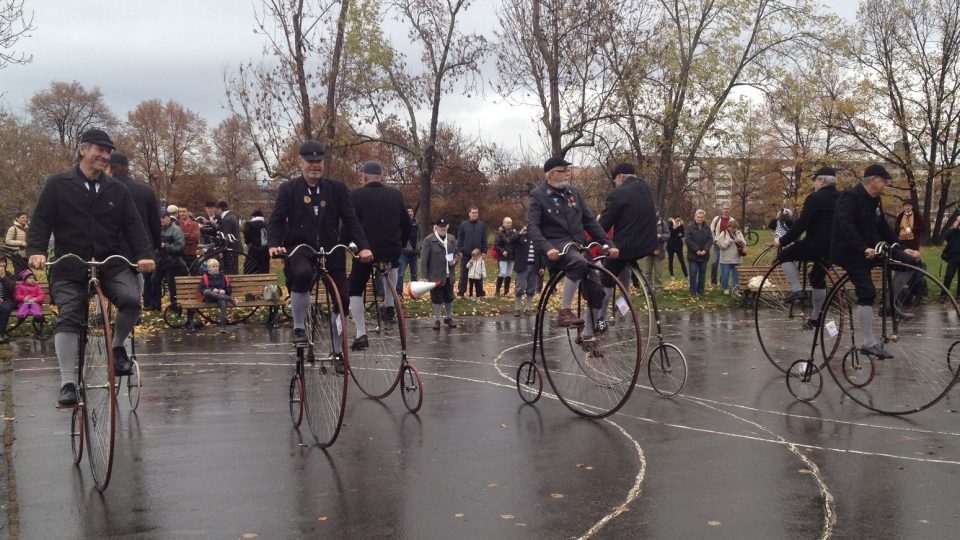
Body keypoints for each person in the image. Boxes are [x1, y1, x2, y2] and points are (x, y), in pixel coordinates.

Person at [27, 128, 155, 407]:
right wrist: (36, 250)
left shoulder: (117, 190)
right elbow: (41, 221)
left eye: (108, 151)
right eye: (99, 149)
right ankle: (67, 382)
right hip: (69, 264)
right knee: (70, 314)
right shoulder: (58, 184)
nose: (105, 155)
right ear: (83, 150)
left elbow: (133, 225)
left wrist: (145, 254)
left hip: (109, 262)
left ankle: (117, 346)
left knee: (132, 300)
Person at [267, 140, 372, 352]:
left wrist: (363, 246)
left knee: (342, 299)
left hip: (331, 246)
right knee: (302, 274)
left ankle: (337, 349)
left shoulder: (337, 189)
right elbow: (276, 220)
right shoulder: (289, 189)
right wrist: (274, 244)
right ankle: (298, 328)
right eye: (310, 161)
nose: (315, 165)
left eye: (319, 161)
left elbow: (351, 219)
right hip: (301, 246)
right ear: (301, 162)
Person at [831, 164, 921, 359]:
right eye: (884, 181)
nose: (886, 184)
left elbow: (884, 228)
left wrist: (901, 246)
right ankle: (868, 343)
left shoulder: (876, 201)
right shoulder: (850, 197)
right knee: (867, 291)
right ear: (873, 180)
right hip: (850, 251)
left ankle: (888, 304)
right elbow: (845, 225)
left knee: (911, 263)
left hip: (874, 248)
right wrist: (863, 248)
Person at [527, 156, 618, 345]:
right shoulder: (538, 195)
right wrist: (546, 247)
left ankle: (589, 334)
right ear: (552, 174)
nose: (567, 173)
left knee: (597, 289)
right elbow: (532, 227)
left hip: (577, 245)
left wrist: (607, 242)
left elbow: (590, 221)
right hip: (556, 246)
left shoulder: (573, 193)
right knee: (578, 262)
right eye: (563, 170)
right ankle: (564, 311)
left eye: (567, 170)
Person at [342, 160, 410, 351]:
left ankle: (361, 333)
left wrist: (346, 243)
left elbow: (349, 224)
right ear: (382, 177)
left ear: (363, 177)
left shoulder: (355, 195)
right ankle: (389, 303)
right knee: (393, 265)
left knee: (354, 287)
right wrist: (401, 244)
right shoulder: (395, 195)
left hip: (366, 251)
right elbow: (406, 223)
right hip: (391, 249)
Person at [773, 166, 841, 327]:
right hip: (833, 247)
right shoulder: (842, 197)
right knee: (817, 278)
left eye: (815, 180)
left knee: (784, 256)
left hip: (815, 244)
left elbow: (802, 224)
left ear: (821, 180)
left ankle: (797, 289)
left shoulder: (814, 198)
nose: (815, 184)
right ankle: (816, 317)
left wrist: (782, 241)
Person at [597, 162, 656, 330]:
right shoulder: (645, 188)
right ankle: (622, 310)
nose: (615, 183)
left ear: (621, 177)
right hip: (644, 245)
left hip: (624, 247)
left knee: (606, 280)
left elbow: (603, 225)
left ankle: (599, 320)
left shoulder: (619, 194)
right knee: (624, 283)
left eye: (615, 180)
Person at [107, 152, 160, 308]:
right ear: (127, 169)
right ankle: (134, 310)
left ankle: (102, 313)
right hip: (140, 248)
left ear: (110, 169)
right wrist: (155, 245)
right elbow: (154, 222)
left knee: (106, 279)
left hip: (112, 247)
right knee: (137, 278)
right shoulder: (145, 190)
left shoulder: (106, 189)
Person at [421, 218, 459, 329]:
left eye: (444, 226)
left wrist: (455, 260)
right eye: (440, 226)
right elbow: (424, 259)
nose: (442, 228)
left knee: (449, 297)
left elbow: (457, 253)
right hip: (435, 275)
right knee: (436, 298)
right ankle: (437, 319)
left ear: (447, 227)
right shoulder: (429, 239)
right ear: (436, 227)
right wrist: (424, 276)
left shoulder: (451, 238)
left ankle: (448, 317)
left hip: (449, 274)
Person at [150, 209, 185, 311]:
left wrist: (166, 246)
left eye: (163, 218)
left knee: (172, 285)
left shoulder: (176, 230)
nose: (161, 220)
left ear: (168, 218)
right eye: (159, 218)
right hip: (160, 261)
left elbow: (180, 246)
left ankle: (175, 307)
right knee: (154, 281)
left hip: (172, 262)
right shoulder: (157, 229)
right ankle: (155, 307)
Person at [512, 222, 544, 316]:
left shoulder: (537, 239)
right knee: (520, 287)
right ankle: (517, 308)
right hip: (522, 266)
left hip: (534, 267)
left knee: (531, 288)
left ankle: (528, 308)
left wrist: (542, 266)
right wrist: (520, 233)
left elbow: (541, 253)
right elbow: (510, 241)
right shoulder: (520, 237)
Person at [456, 206, 487, 297]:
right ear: (469, 213)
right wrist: (459, 250)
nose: (474, 214)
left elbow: (484, 239)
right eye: (473, 212)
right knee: (464, 274)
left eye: (476, 213)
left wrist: (484, 251)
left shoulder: (481, 225)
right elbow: (460, 238)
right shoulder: (464, 224)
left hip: (478, 254)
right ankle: (461, 292)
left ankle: (479, 292)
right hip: (465, 253)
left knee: (478, 273)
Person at [197, 258, 236, 326]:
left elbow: (228, 288)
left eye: (217, 266)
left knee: (222, 300)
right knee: (207, 291)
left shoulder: (223, 277)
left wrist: (224, 291)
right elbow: (201, 289)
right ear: (209, 268)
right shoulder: (205, 277)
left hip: (220, 297)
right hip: (210, 297)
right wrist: (212, 289)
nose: (215, 268)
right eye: (213, 266)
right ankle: (228, 298)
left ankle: (223, 321)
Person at [640, 211, 669, 290]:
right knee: (646, 272)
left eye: (655, 212)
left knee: (658, 272)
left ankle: (658, 288)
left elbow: (668, 234)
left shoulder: (662, 223)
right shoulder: (646, 222)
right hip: (648, 251)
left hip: (658, 251)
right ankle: (647, 289)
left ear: (658, 212)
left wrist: (661, 236)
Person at [685, 210, 712, 295]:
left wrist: (705, 250)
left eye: (702, 217)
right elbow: (688, 240)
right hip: (693, 255)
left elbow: (710, 239)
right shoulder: (690, 227)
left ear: (704, 218)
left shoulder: (707, 227)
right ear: (695, 217)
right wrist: (697, 249)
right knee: (693, 273)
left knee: (702, 274)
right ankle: (693, 290)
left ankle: (701, 290)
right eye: (698, 217)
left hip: (704, 255)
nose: (700, 219)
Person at [716, 219, 745, 295]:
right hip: (726, 259)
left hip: (737, 259)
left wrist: (740, 241)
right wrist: (729, 241)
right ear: (729, 227)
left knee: (736, 276)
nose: (734, 229)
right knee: (725, 275)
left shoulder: (739, 233)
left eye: (735, 228)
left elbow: (744, 243)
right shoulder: (724, 233)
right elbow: (721, 245)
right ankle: (725, 288)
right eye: (732, 228)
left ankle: (736, 290)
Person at [493, 217, 519, 297]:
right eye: (507, 222)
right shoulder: (499, 233)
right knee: (503, 272)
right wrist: (502, 251)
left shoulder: (513, 232)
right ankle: (497, 291)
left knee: (509, 273)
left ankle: (506, 291)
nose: (509, 224)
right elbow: (496, 245)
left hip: (512, 256)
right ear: (503, 223)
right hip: (503, 256)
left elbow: (516, 243)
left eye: (510, 222)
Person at [397, 207, 420, 296]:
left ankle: (415, 293)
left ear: (413, 213)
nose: (410, 213)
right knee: (400, 274)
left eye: (411, 211)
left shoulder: (417, 223)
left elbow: (420, 236)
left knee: (414, 274)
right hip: (404, 254)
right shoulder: (402, 223)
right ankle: (399, 292)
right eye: (408, 211)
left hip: (414, 254)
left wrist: (419, 247)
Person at [709, 205, 732, 285]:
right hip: (717, 244)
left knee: (724, 264)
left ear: (729, 210)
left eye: (727, 209)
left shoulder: (732, 220)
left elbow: (734, 231)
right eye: (725, 209)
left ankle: (722, 281)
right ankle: (713, 281)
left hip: (727, 245)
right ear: (722, 210)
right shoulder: (717, 219)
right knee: (715, 262)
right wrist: (714, 239)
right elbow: (711, 229)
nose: (726, 210)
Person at [217, 200, 242, 274]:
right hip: (235, 247)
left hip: (230, 249)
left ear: (220, 209)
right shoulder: (232, 216)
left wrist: (222, 250)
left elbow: (226, 236)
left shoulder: (227, 220)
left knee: (230, 270)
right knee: (233, 269)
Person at [939, 214, 960, 301]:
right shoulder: (952, 232)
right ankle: (943, 295)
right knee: (949, 275)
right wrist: (954, 228)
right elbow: (945, 237)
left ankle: (959, 295)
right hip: (953, 256)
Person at [243, 209, 269, 274]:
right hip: (265, 252)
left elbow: (247, 239)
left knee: (250, 270)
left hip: (253, 251)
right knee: (264, 270)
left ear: (253, 217)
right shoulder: (267, 225)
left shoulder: (249, 225)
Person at [178, 207, 201, 271]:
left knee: (194, 274)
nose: (182, 213)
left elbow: (196, 237)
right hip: (180, 254)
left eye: (184, 211)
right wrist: (189, 235)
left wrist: (183, 236)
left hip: (192, 254)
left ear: (188, 212)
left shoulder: (195, 224)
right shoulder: (177, 224)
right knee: (180, 275)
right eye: (180, 212)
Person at [0, 266, 15, 344]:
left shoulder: (8, 274)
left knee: (6, 308)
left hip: (6, 300)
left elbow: (11, 288)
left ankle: (1, 333)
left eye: (3, 262)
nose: (2, 264)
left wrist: (3, 277)